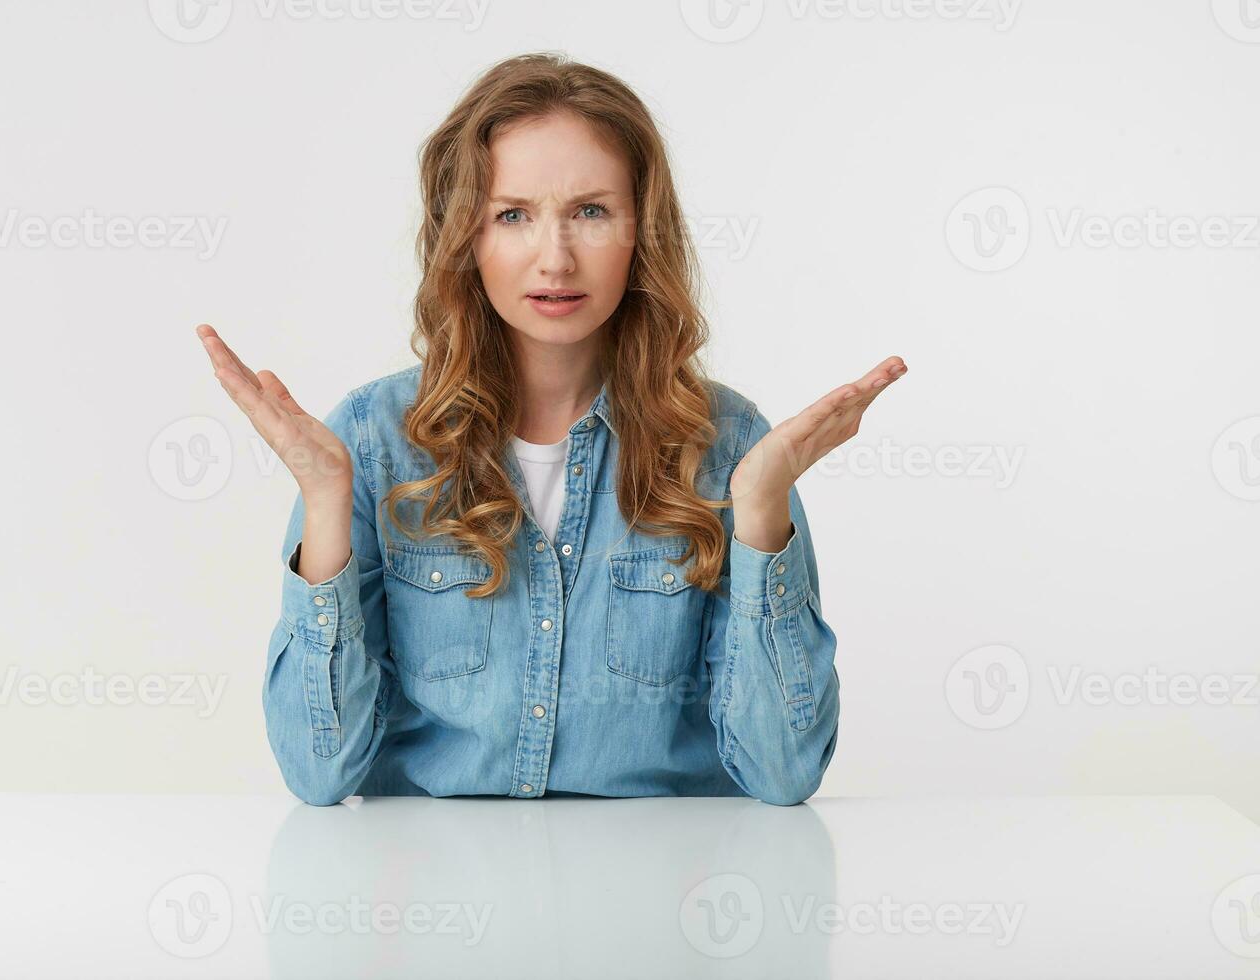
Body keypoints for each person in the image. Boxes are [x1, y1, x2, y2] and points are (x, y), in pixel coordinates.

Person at [197, 52, 907, 806]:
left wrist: (761, 507)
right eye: (513, 215)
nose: (556, 258)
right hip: (435, 903)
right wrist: (326, 498)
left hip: (655, 902)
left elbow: (783, 773)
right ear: (465, 238)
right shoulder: (373, 439)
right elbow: (319, 774)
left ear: (642, 231)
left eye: (591, 212)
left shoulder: (728, 442)